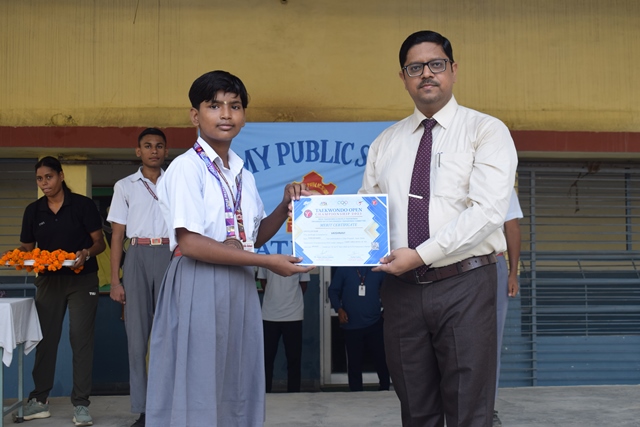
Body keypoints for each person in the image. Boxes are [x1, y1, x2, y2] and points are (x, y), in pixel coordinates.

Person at [359, 30, 518, 427]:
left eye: (436, 64)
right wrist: (317, 218)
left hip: (466, 284)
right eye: (415, 68)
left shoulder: (486, 130)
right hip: (401, 290)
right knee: (416, 409)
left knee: (469, 409)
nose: (426, 74)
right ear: (403, 78)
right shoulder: (385, 142)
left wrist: (420, 254)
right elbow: (367, 214)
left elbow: (487, 211)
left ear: (453, 70)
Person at [145, 70, 314, 427]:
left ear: (243, 116)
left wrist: (284, 206)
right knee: (199, 378)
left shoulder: (242, 174)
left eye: (234, 106)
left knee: (237, 375)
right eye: (214, 105)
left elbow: (254, 236)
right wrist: (265, 262)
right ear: (195, 115)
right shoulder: (186, 168)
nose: (225, 114)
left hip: (239, 281)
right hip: (198, 280)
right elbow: (190, 242)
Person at [13, 156, 106, 426]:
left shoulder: (83, 206)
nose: (44, 183)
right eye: (39, 179)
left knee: (80, 339)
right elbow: (27, 247)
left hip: (82, 279)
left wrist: (86, 253)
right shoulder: (33, 211)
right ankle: (39, 401)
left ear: (61, 176)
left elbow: (99, 242)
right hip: (48, 281)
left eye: (49, 177)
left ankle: (81, 405)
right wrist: (16, 256)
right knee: (45, 339)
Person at [107, 127, 171, 427]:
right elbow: (117, 235)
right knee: (137, 338)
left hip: (171, 255)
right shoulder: (125, 186)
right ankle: (144, 410)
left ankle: (169, 405)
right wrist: (115, 280)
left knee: (170, 335)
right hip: (137, 255)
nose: (153, 151)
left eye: (159, 146)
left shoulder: (176, 183)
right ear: (138, 151)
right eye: (147, 146)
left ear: (166, 151)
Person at [328, 267, 390, 392]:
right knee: (354, 362)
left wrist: (387, 309)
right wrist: (339, 309)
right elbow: (333, 291)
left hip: (375, 322)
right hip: (351, 324)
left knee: (381, 359)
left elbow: (390, 290)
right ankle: (356, 393)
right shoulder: (344, 269)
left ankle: (385, 389)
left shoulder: (377, 268)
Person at [493, 188, 523, 427]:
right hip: (446, 264)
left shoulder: (501, 181)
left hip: (492, 263)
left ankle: (487, 406)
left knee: (491, 342)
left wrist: (513, 273)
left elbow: (511, 228)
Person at [257, 268, 310, 393]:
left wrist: (292, 301)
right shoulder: (266, 257)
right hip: (270, 315)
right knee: (266, 358)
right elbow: (263, 281)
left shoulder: (300, 259)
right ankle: (265, 393)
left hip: (293, 315)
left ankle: (294, 393)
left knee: (294, 359)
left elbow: (303, 284)